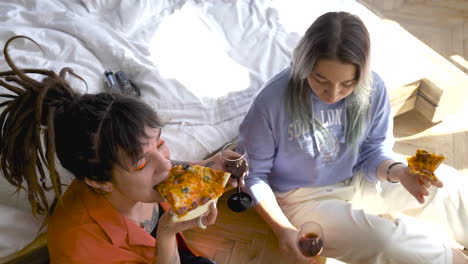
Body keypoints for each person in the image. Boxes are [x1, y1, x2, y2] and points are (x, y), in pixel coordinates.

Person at [238, 11, 468, 264]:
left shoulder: (373, 87)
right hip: (304, 198)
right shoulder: (270, 102)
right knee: (386, 242)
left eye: (347, 83)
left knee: (450, 186)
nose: (333, 94)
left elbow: (373, 151)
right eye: (320, 79)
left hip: (359, 176)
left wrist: (401, 172)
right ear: (304, 65)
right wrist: (283, 230)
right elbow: (254, 176)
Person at [0, 35, 238, 264]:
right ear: (99, 182)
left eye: (159, 143)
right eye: (142, 163)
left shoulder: (144, 178)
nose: (166, 164)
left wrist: (217, 166)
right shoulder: (81, 249)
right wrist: (166, 235)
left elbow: (172, 169)